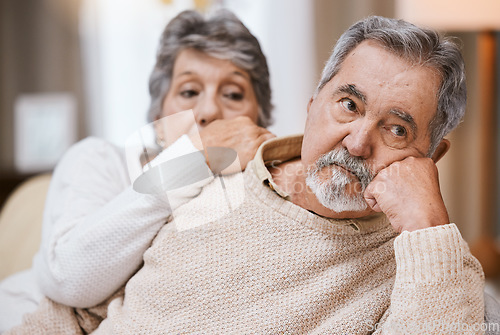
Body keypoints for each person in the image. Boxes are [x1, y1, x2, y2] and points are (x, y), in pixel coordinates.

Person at [4, 15, 489, 335]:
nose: (359, 141)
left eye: (397, 128)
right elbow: (79, 305)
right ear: (311, 103)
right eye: (348, 104)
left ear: (433, 154)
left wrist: (428, 230)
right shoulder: (206, 178)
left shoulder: (426, 266)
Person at [0, 9, 274, 333]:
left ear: (259, 121)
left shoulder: (263, 200)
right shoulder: (99, 160)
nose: (210, 109)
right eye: (188, 92)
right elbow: (68, 279)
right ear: (159, 117)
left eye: (232, 94)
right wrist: (193, 160)